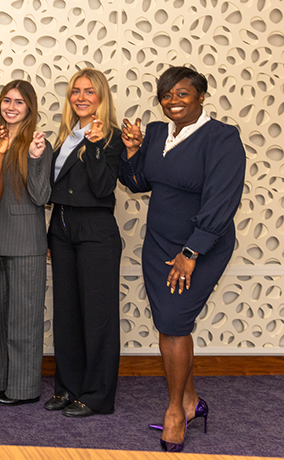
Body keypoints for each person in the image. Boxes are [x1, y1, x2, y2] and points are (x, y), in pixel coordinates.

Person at [119, 66, 244, 452]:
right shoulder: (156, 132)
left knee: (174, 322)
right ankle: (191, 402)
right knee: (171, 324)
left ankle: (175, 410)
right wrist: (133, 150)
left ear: (201, 96)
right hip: (159, 243)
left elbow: (223, 200)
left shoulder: (222, 138)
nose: (173, 101)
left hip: (197, 247)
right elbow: (137, 183)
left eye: (182, 94)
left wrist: (191, 252)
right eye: (167, 95)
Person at [45, 68, 124, 418]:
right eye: (75, 91)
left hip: (96, 230)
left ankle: (97, 396)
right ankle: (69, 388)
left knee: (97, 319)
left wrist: (93, 147)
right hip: (62, 229)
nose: (80, 97)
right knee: (67, 315)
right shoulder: (66, 136)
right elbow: (55, 191)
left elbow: (104, 187)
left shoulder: (111, 137)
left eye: (89, 92)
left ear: (101, 98)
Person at [0, 80, 51, 414]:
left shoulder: (37, 143)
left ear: (29, 108)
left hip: (26, 243)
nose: (11, 107)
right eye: (6, 100)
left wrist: (35, 158)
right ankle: (4, 381)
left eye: (19, 102)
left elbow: (41, 196)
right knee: (2, 318)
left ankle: (25, 389)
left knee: (24, 320)